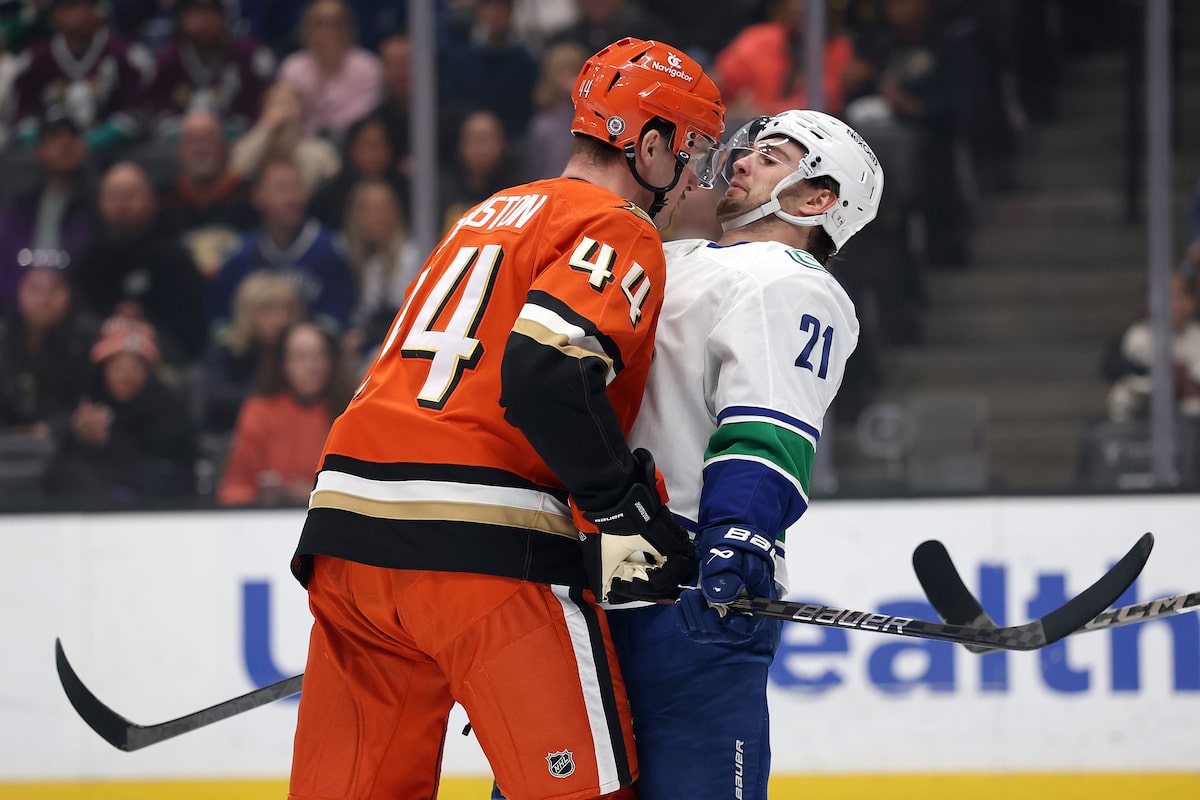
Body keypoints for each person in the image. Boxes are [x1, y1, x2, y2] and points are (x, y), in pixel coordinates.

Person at [286, 37, 725, 800]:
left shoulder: (483, 215)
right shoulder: (619, 226)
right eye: (693, 157)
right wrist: (625, 507)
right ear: (651, 146)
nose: (692, 183)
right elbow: (546, 373)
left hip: (347, 537)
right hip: (481, 549)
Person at [606, 110, 883, 800]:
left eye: (774, 156)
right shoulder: (672, 259)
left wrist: (739, 535)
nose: (741, 160)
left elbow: (768, 423)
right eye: (750, 149)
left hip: (696, 574)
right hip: (602, 572)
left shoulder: (789, 281)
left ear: (818, 199)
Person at [206, 157, 357, 335]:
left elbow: (339, 318)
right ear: (258, 196)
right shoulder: (241, 255)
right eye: (281, 189)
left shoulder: (332, 251)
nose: (292, 198)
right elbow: (219, 317)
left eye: (297, 187)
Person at [217, 320, 352, 506]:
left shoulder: (349, 412)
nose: (312, 366)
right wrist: (267, 497)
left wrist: (315, 493)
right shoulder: (259, 411)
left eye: (320, 356)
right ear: (283, 364)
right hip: (267, 519)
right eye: (301, 357)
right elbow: (237, 485)